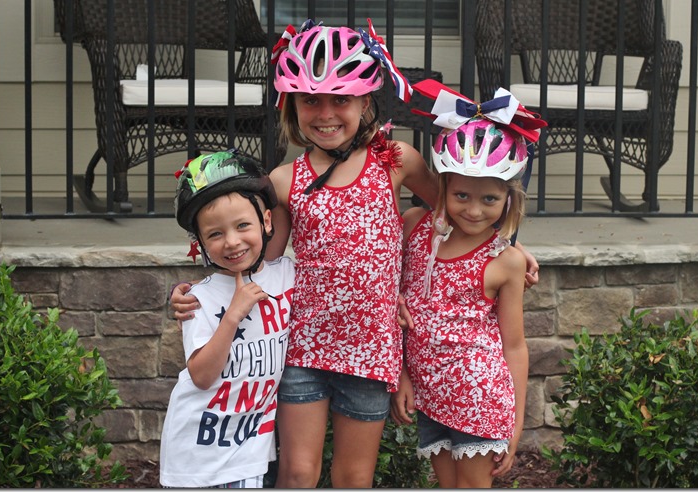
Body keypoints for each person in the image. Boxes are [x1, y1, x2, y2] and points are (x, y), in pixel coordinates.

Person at [169, 20, 540, 488]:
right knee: (298, 473)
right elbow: (258, 263)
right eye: (311, 100)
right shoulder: (284, 180)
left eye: (340, 99)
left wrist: (511, 245)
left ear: (365, 102)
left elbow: (454, 213)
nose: (325, 113)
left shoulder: (397, 160)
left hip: (372, 352)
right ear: (292, 105)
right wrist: (198, 295)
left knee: (353, 477)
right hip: (304, 347)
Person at [390, 97, 540, 487]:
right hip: (428, 394)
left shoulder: (506, 261)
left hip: (480, 397)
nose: (474, 210)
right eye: (462, 196)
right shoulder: (414, 226)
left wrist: (517, 422)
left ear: (509, 199)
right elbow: (394, 304)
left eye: (490, 199)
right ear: (443, 188)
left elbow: (514, 345)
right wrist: (402, 375)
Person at [159, 151, 295, 488]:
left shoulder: (287, 276)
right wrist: (233, 314)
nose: (232, 242)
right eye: (215, 234)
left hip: (248, 451)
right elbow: (202, 376)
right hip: (194, 453)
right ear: (201, 243)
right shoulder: (198, 300)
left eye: (242, 225)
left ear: (266, 222)